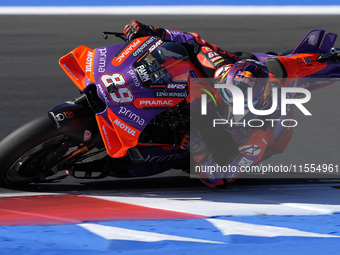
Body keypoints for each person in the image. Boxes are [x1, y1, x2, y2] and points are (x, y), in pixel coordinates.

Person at [123, 20, 295, 187]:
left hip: (229, 143)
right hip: (239, 75)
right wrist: (154, 31)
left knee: (192, 141)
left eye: (240, 104)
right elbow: (194, 41)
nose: (233, 107)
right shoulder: (220, 70)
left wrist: (198, 149)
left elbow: (222, 178)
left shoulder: (259, 137)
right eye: (231, 96)